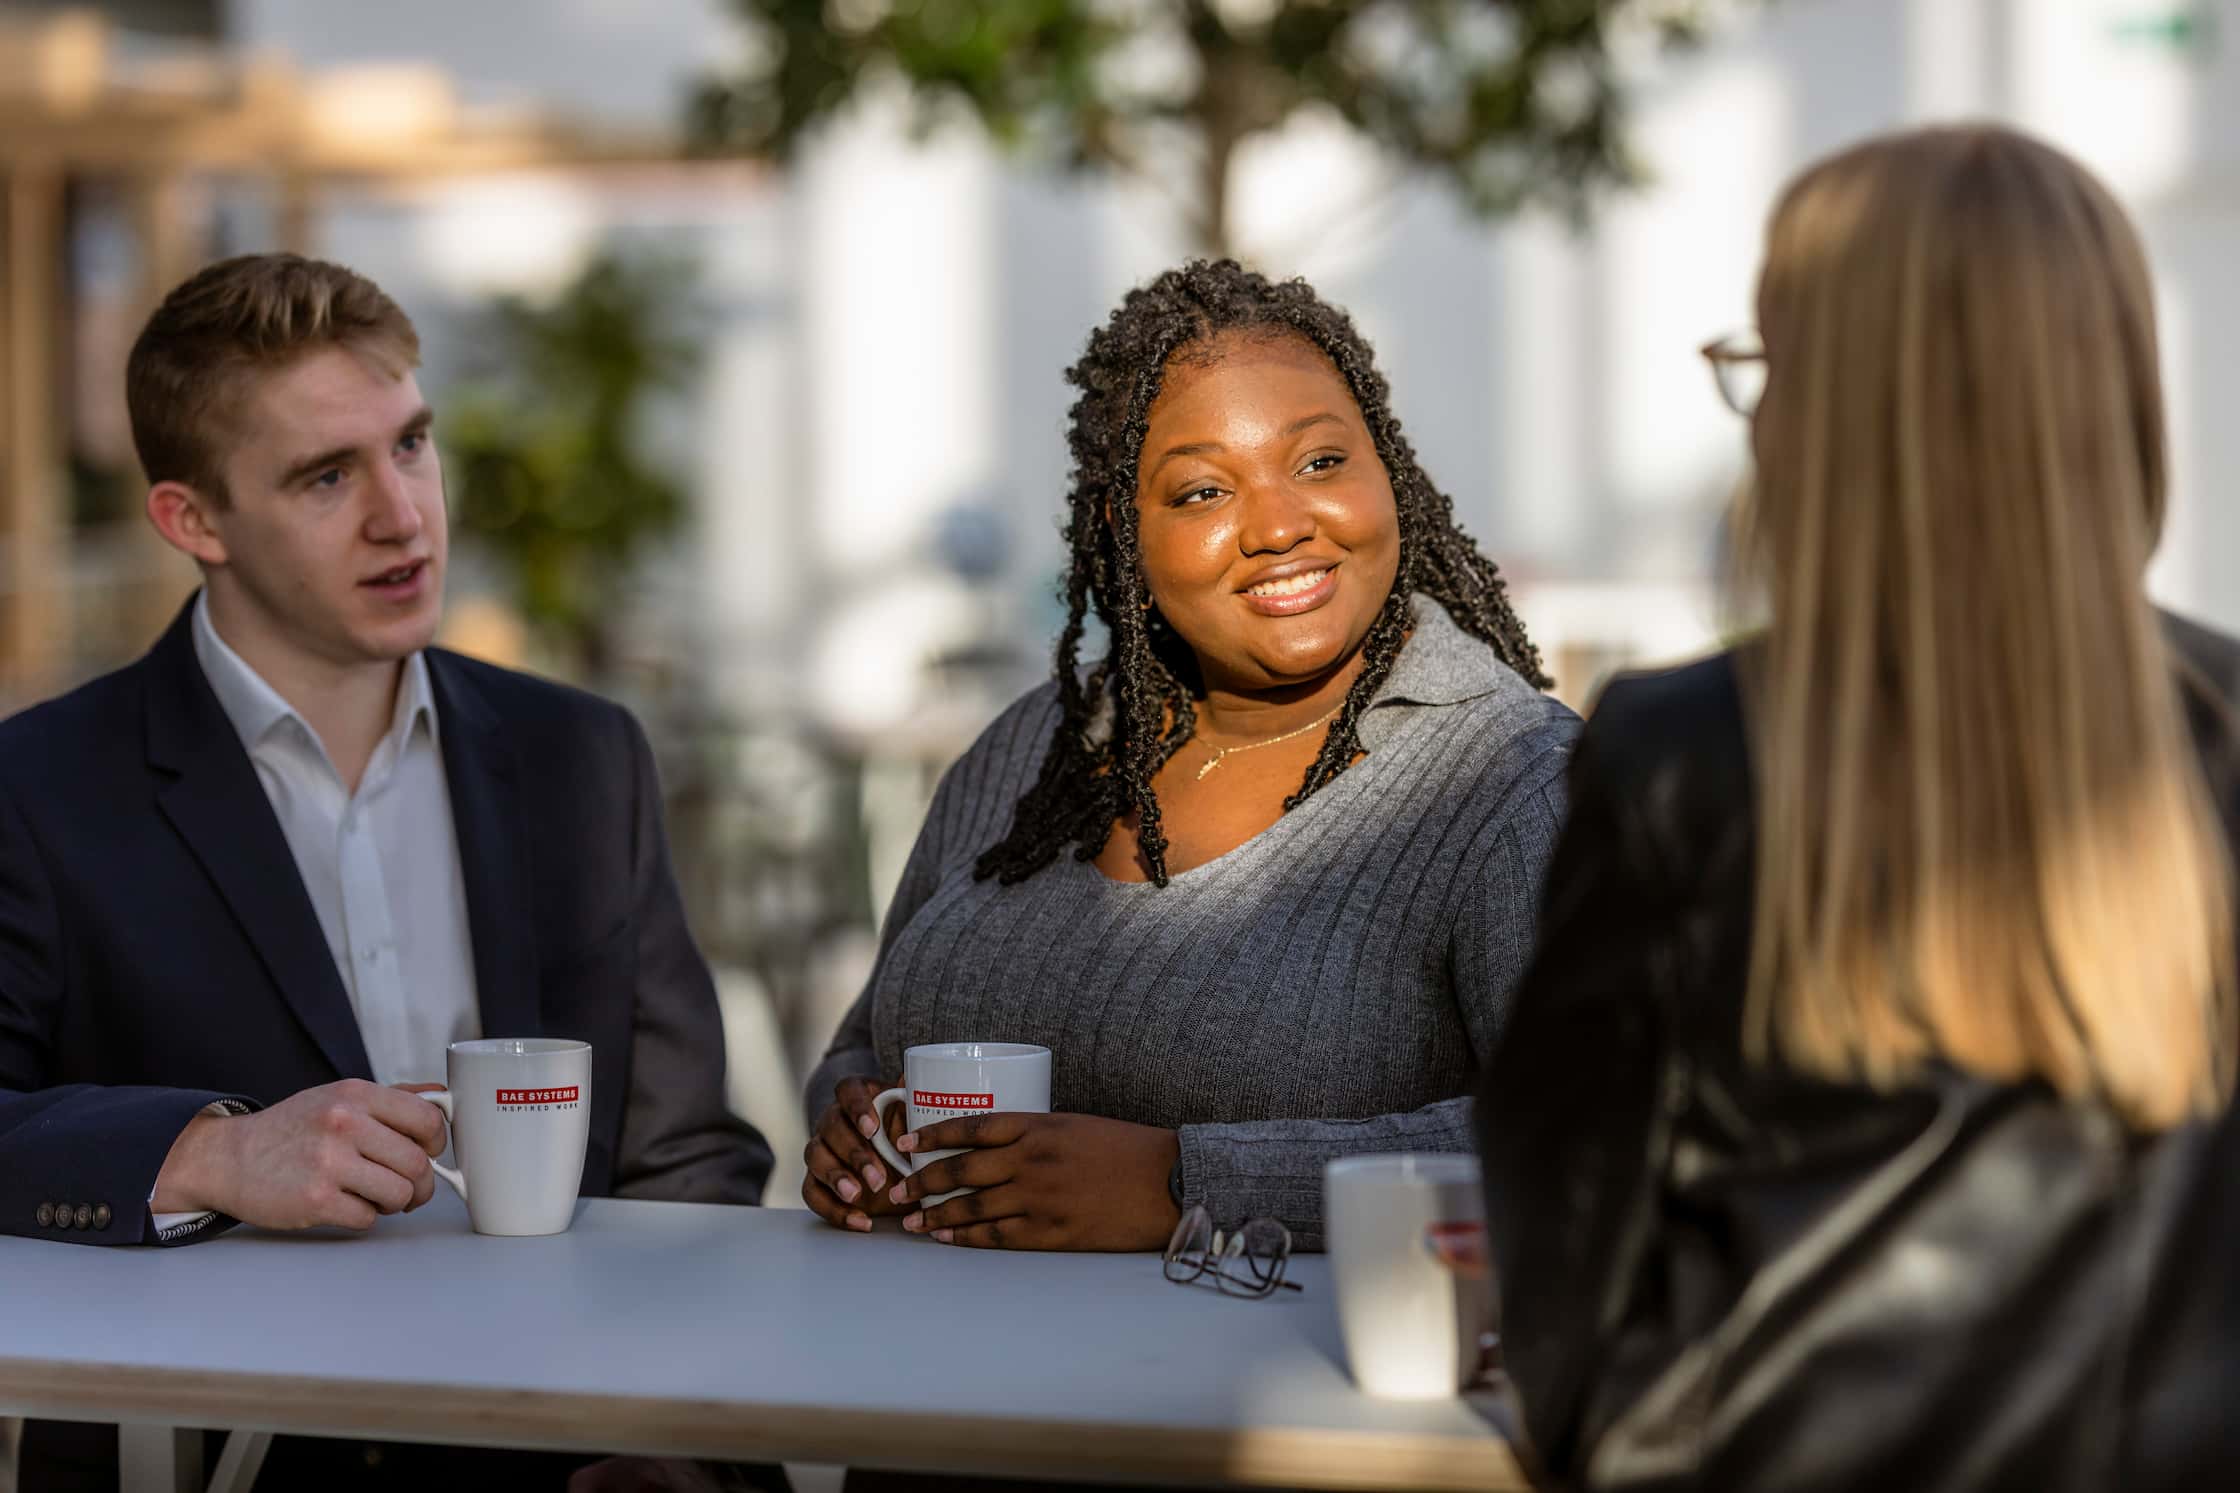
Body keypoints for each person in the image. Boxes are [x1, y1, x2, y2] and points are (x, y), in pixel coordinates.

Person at [1478, 125, 2240, 1491]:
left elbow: (1568, 1294)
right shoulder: (2228, 733)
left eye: (1764, 363)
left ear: (1825, 412)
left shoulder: (1683, 754)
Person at [0, 253, 775, 1488]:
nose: (401, 513)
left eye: (410, 445)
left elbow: (683, 1158)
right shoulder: (36, 788)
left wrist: (670, 1438)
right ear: (192, 520)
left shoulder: (585, 755)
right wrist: (207, 1152)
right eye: (325, 475)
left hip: (553, 1458)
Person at [802, 259, 1579, 1254]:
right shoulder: (1033, 750)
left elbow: (1591, 1132)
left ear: (1389, 470)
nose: (1278, 525)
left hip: (1278, 1387)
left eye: (1319, 462)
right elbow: (866, 1039)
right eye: (1203, 489)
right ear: (1123, 537)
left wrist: (1185, 1181)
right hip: (921, 1381)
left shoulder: (1512, 783)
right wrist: (850, 1124)